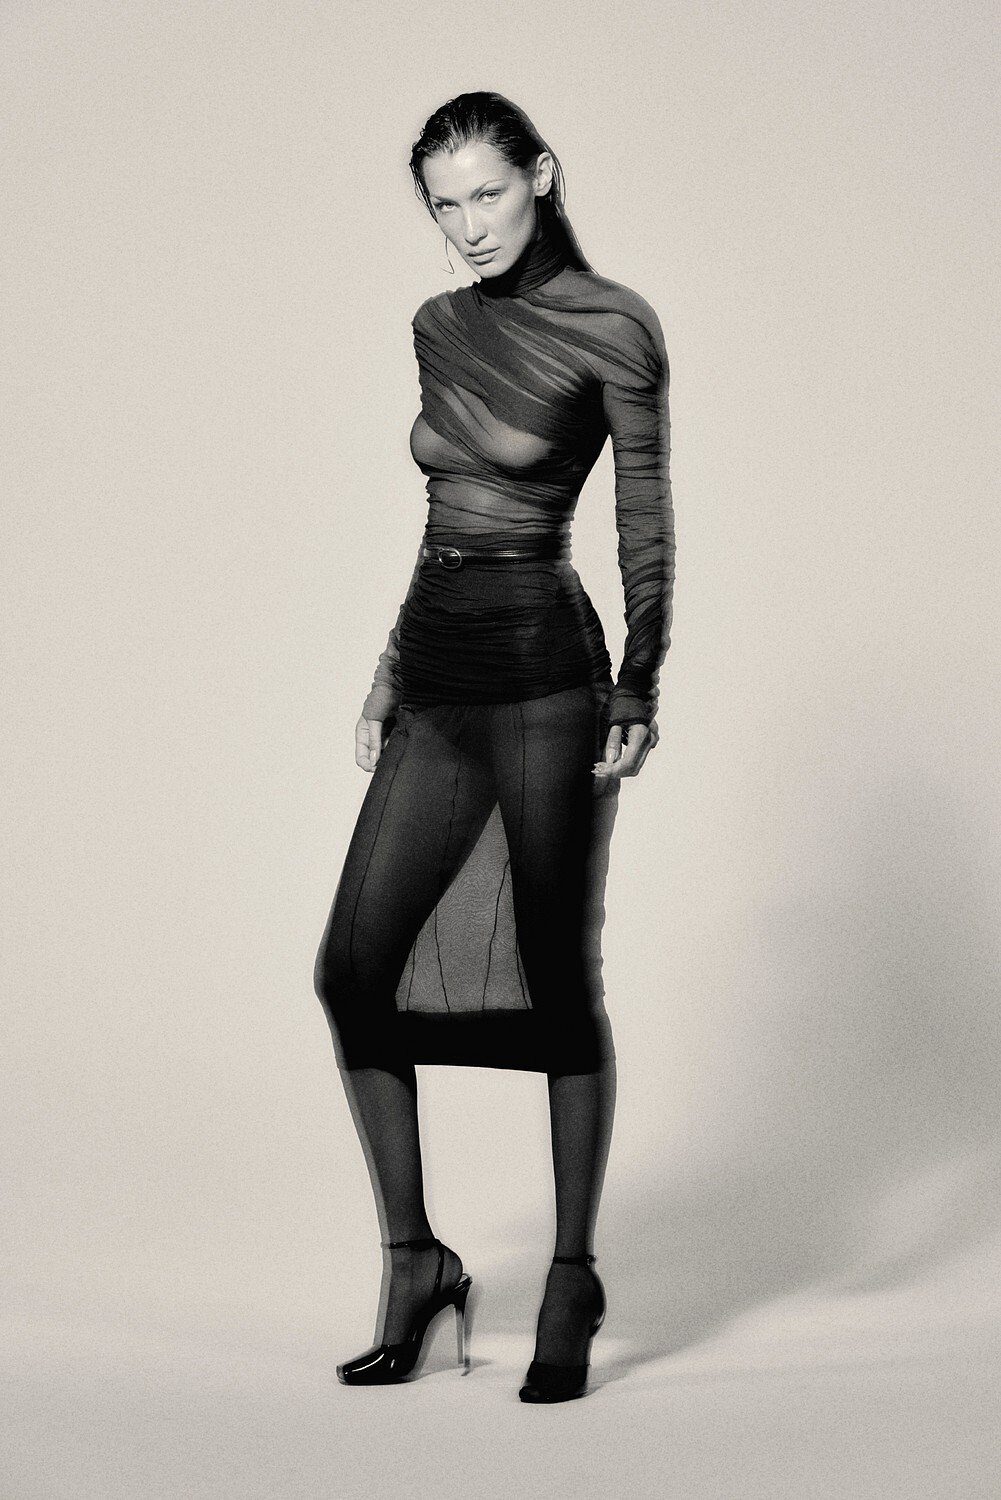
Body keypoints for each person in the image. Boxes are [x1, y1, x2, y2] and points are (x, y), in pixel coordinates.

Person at [313, 90, 675, 1403]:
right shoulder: (438, 324)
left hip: (545, 679)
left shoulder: (612, 324)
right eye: (444, 204)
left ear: (541, 174)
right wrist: (386, 670)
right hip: (439, 670)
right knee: (353, 970)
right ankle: (417, 1262)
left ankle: (571, 1278)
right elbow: (445, 514)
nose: (467, 225)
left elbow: (642, 510)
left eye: (487, 192)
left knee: (557, 978)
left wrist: (639, 681)